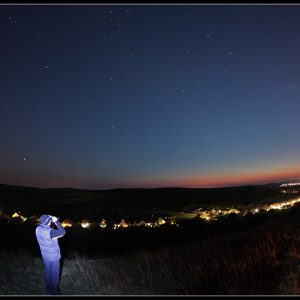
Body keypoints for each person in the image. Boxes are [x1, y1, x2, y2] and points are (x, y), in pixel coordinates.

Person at [35, 214, 66, 295]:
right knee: (55, 275)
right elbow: (62, 232)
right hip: (53, 257)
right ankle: (55, 292)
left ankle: (48, 288)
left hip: (45, 255)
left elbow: (46, 224)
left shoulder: (38, 229)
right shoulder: (50, 232)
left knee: (48, 272)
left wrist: (49, 218)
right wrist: (56, 221)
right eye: (50, 220)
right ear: (48, 222)